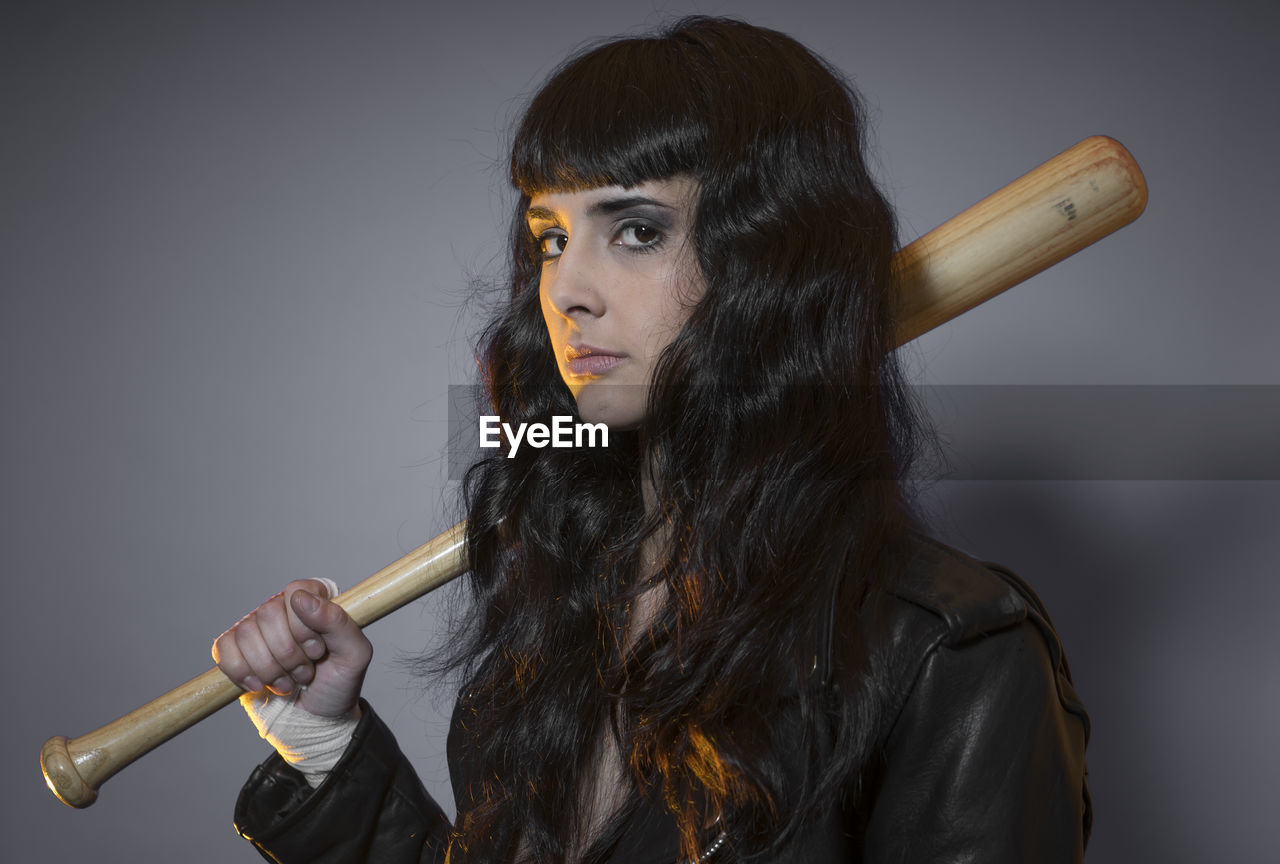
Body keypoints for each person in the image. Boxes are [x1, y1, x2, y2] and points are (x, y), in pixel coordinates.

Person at [213, 16, 1091, 864]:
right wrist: (327, 750)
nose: (567, 291)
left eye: (637, 230)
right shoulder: (554, 626)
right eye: (551, 238)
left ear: (765, 259)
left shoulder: (948, 654)